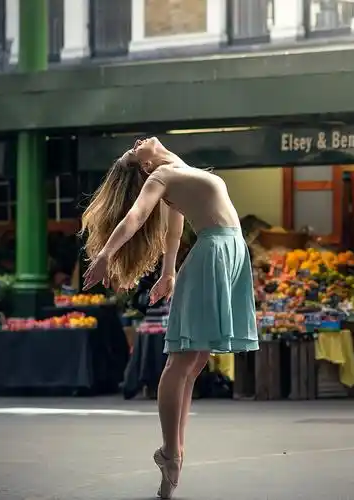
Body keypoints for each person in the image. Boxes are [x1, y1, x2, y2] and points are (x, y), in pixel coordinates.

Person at [80, 137, 258, 499]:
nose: (137, 143)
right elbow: (136, 216)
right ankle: (171, 451)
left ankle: (173, 452)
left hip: (229, 252)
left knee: (195, 363)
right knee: (182, 361)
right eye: (133, 151)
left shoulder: (179, 171)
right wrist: (106, 256)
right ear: (144, 166)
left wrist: (168, 273)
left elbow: (174, 230)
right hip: (213, 253)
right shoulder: (159, 177)